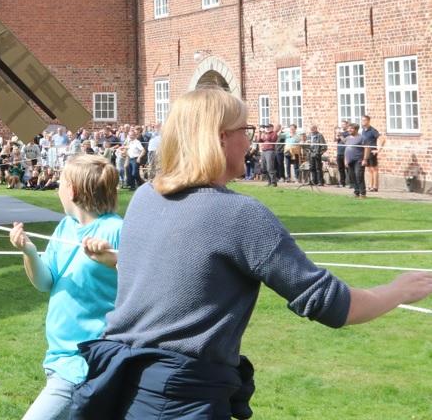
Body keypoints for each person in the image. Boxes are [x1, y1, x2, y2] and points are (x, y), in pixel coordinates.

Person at [74, 88, 432, 418]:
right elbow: (334, 305)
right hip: (177, 400)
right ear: (220, 137)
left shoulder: (145, 197)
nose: (252, 141)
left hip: (121, 388)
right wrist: (401, 289)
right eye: (246, 129)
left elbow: (171, 277)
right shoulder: (240, 215)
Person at [9, 154, 122, 420]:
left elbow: (143, 285)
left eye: (60, 181)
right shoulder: (66, 227)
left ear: (71, 190)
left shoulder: (117, 230)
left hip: (86, 364)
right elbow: (45, 282)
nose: (57, 187)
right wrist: (28, 251)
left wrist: (115, 260)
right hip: (59, 358)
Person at [344, 123, 369, 198]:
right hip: (349, 160)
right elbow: (346, 149)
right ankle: (356, 192)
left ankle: (363, 193)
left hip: (359, 160)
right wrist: (345, 160)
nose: (349, 130)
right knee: (352, 176)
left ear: (356, 129)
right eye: (349, 128)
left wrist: (365, 159)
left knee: (359, 175)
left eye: (351, 128)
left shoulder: (362, 138)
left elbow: (367, 148)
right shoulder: (347, 138)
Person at [361, 115, 381, 193]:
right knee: (369, 169)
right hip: (366, 152)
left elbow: (382, 139)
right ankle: (370, 185)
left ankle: (375, 186)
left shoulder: (373, 130)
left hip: (372, 151)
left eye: (364, 120)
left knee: (374, 169)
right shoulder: (363, 130)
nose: (363, 122)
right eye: (362, 120)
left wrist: (378, 150)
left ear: (368, 121)